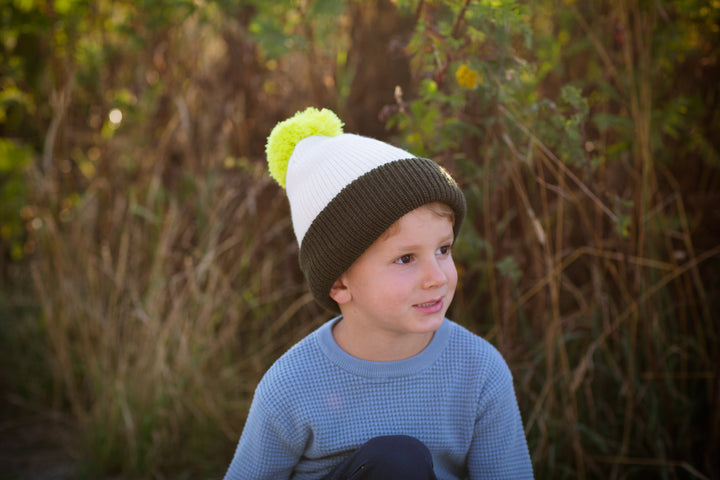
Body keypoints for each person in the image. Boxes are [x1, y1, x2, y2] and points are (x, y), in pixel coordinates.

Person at [223, 107, 533, 479]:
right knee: (397, 462)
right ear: (340, 283)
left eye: (443, 250)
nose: (436, 277)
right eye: (405, 258)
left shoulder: (479, 371)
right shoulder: (292, 385)